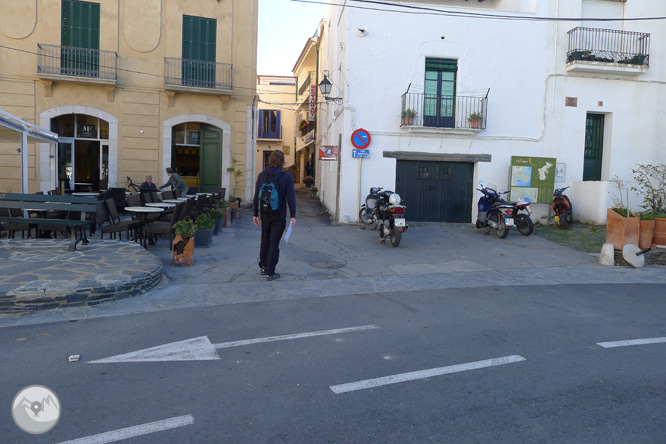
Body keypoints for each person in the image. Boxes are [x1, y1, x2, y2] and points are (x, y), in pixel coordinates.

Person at [253, 151, 296, 281]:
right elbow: (291, 198)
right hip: (279, 215)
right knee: (274, 243)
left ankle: (263, 265)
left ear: (270, 160)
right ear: (282, 161)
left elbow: (256, 196)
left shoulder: (262, 175)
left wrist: (256, 214)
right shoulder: (286, 177)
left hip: (264, 214)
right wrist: (293, 215)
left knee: (265, 240)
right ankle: (270, 272)